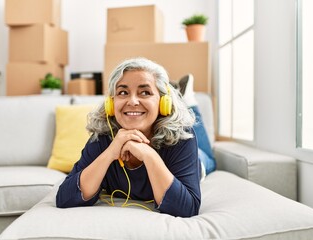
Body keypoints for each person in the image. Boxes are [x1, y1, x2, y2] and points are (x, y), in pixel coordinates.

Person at [56, 58, 213, 217]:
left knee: (206, 157)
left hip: (195, 161)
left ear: (162, 102)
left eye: (145, 92)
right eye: (123, 92)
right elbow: (64, 198)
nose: (132, 101)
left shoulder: (182, 136)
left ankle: (188, 100)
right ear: (111, 103)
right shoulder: (102, 137)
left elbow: (187, 208)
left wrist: (149, 155)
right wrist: (110, 153)